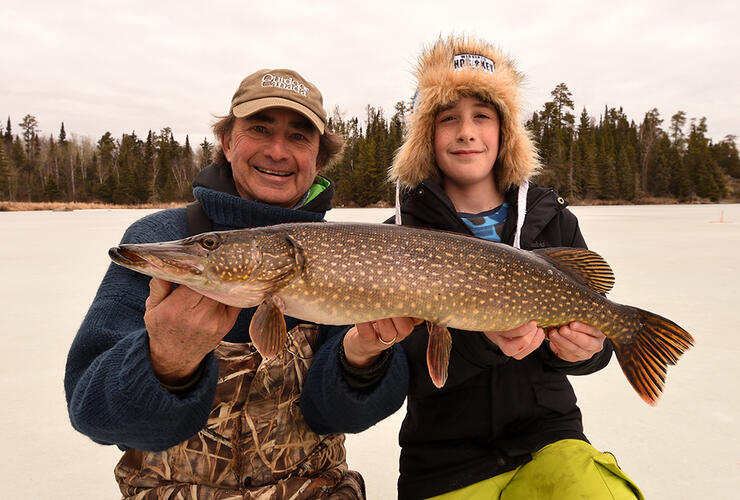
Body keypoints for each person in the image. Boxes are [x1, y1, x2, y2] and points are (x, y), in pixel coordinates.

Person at [301, 36, 645, 499]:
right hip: (442, 461)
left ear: (505, 133)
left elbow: (590, 327)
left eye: (482, 116)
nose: (466, 132)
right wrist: (484, 342)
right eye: (448, 119)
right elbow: (402, 366)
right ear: (427, 135)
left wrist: (589, 350)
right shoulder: (394, 237)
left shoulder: (553, 220)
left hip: (552, 441)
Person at [64, 68, 408, 499]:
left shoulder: (348, 252)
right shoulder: (156, 236)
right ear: (227, 143)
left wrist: (362, 360)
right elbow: (92, 413)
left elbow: (338, 418)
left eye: (300, 136)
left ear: (319, 159)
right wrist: (166, 361)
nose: (278, 151)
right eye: (259, 129)